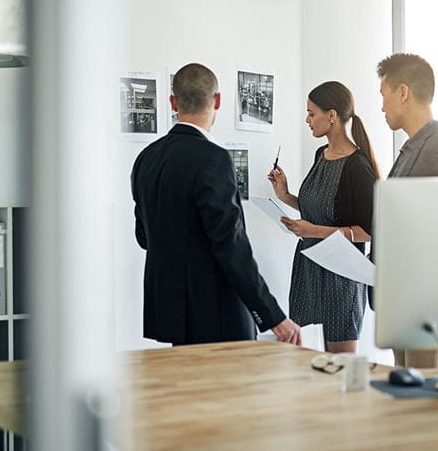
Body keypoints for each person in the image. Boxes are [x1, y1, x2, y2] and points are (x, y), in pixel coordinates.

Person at [131, 63, 301, 346]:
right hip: (216, 315)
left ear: (173, 102)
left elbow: (144, 237)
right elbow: (231, 245)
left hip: (171, 312)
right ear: (218, 100)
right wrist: (273, 317)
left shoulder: (146, 159)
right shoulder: (214, 159)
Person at [268, 81, 379, 353]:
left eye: (311, 112)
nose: (307, 120)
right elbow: (317, 211)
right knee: (306, 364)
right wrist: (285, 195)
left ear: (332, 116)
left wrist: (313, 231)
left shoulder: (358, 166)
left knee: (339, 368)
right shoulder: (321, 154)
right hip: (308, 270)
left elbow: (369, 230)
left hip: (340, 275)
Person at [377, 53, 438, 368]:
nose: (382, 106)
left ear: (403, 92)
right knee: (405, 403)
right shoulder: (408, 151)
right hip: (403, 300)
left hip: (430, 306)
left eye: (384, 95)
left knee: (431, 405)